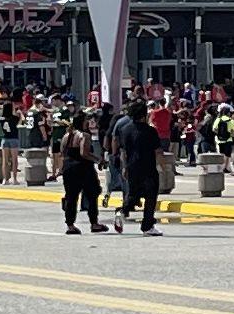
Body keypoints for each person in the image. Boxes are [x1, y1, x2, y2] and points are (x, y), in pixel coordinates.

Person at [110, 95, 161, 234]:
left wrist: (124, 167)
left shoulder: (125, 130)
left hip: (132, 166)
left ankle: (122, 211)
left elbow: (123, 151)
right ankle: (147, 226)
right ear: (144, 115)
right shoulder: (150, 130)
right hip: (148, 167)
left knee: (133, 194)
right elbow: (157, 151)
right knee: (151, 196)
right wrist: (162, 165)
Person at [62, 116, 106, 233]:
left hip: (68, 167)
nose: (88, 123)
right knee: (92, 194)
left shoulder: (66, 136)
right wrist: (98, 160)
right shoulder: (84, 135)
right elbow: (84, 153)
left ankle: (70, 225)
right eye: (86, 121)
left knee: (71, 196)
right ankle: (94, 223)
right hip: (83, 168)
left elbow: (63, 152)